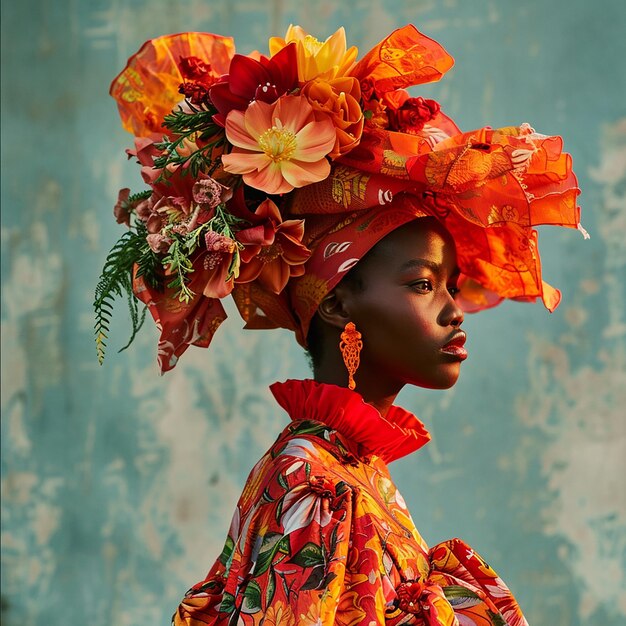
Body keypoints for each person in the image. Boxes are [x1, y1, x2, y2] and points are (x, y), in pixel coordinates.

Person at [100, 23, 583, 625]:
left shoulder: (354, 472)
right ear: (335, 301)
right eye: (423, 284)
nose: (454, 309)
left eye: (450, 286)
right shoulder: (314, 483)